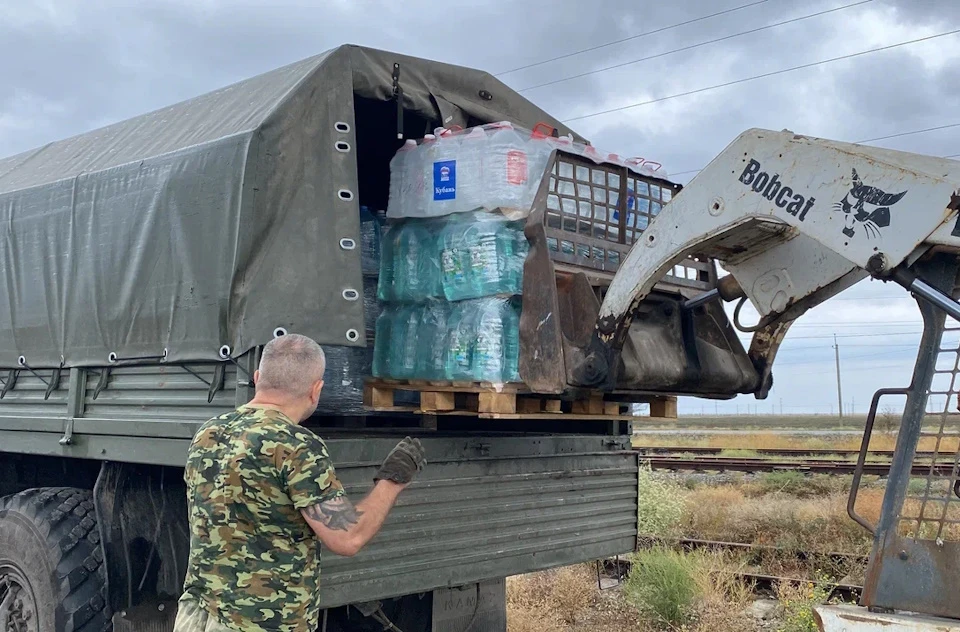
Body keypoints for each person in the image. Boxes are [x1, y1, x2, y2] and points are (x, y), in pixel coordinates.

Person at [174, 333, 426, 632]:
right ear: (316, 389)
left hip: (197, 617)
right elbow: (347, 538)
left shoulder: (208, 433)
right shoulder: (296, 445)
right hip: (260, 623)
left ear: (257, 377)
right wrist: (393, 479)